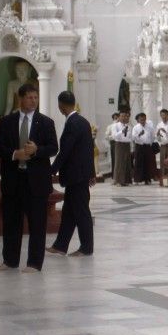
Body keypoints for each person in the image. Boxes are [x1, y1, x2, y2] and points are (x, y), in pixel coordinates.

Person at [0, 83, 58, 272]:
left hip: (36, 181)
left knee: (37, 223)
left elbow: (54, 147)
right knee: (11, 222)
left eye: (36, 97)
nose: (33, 101)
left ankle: (34, 263)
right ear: (20, 98)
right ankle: (10, 260)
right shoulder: (7, 122)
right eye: (29, 97)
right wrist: (14, 154)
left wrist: (37, 150)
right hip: (13, 180)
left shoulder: (46, 122)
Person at [47, 91, 95, 257]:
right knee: (69, 212)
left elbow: (65, 151)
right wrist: (92, 172)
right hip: (80, 174)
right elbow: (89, 149)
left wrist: (51, 170)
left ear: (60, 106)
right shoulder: (83, 122)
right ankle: (60, 245)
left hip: (76, 176)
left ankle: (86, 247)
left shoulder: (73, 123)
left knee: (81, 211)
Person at [131, 112, 156, 185]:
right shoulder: (136, 127)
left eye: (144, 119)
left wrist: (150, 143)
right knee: (138, 163)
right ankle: (137, 180)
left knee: (147, 163)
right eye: (141, 119)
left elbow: (152, 136)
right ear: (138, 120)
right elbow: (133, 137)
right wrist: (139, 135)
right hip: (139, 146)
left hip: (147, 146)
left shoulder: (150, 127)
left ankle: (147, 179)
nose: (143, 121)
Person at [111, 109, 133, 186]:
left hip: (127, 144)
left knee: (127, 162)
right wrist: (122, 132)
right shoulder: (115, 125)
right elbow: (114, 136)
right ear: (119, 117)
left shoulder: (129, 126)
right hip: (119, 144)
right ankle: (118, 180)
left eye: (126, 116)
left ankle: (126, 180)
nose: (124, 118)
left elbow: (130, 137)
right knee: (119, 162)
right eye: (122, 116)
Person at [155, 108, 168, 180]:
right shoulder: (159, 125)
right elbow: (158, 139)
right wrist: (158, 135)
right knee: (163, 162)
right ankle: (163, 178)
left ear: (167, 115)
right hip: (163, 146)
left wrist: (165, 131)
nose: (163, 117)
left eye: (165, 115)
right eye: (162, 115)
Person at [104, 111, 119, 176]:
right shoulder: (110, 126)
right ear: (113, 119)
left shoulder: (122, 125)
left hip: (121, 143)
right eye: (115, 118)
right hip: (114, 143)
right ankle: (114, 174)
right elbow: (106, 137)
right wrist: (114, 136)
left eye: (117, 118)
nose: (116, 119)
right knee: (115, 158)